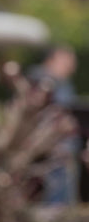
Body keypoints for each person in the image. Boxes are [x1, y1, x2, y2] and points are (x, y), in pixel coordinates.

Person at [27, 45, 79, 205]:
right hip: (49, 148)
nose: (72, 66)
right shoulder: (41, 82)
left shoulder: (64, 84)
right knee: (53, 198)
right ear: (53, 59)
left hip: (63, 148)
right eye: (67, 61)